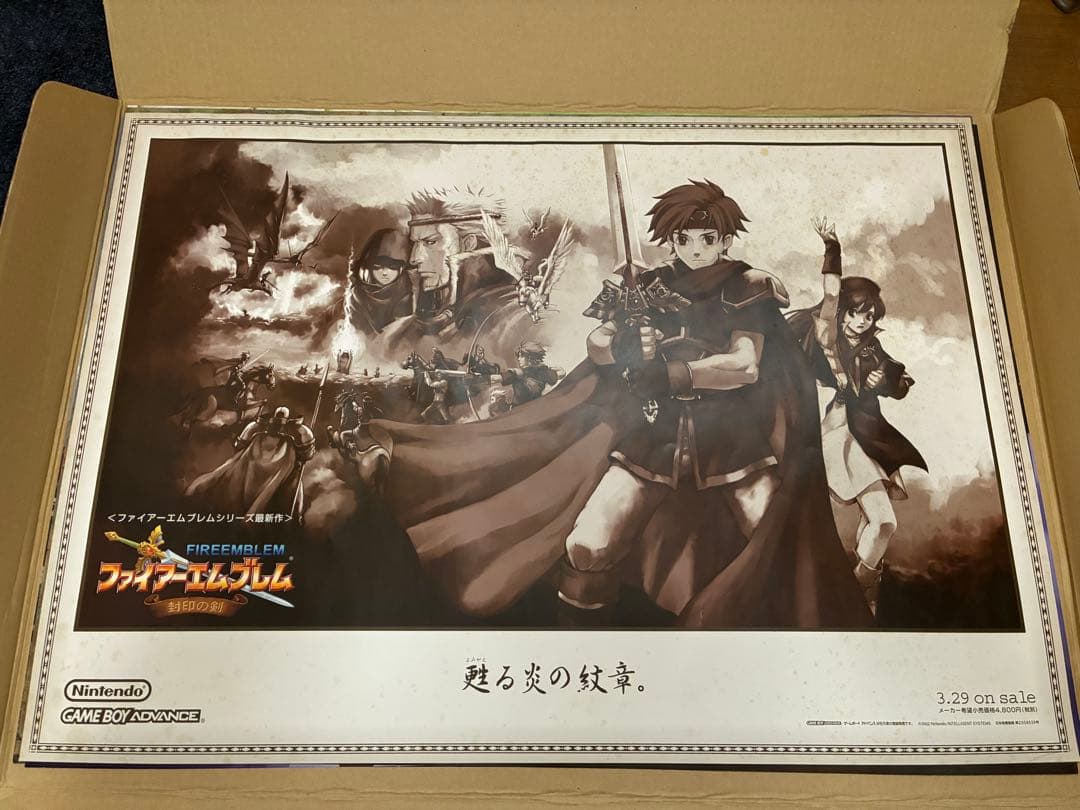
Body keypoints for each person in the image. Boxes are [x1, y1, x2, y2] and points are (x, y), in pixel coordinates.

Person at [371, 180, 871, 630]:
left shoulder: (748, 286)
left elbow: (744, 365)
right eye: (685, 238)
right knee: (587, 546)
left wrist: (674, 373)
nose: (696, 248)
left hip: (731, 440)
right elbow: (598, 345)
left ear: (725, 240)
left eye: (708, 238)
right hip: (654, 438)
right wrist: (624, 345)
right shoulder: (646, 285)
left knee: (777, 550)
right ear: (671, 239)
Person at [788, 220, 927, 610]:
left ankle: (858, 595)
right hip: (820, 439)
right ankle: (852, 602)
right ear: (842, 314)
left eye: (869, 316)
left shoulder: (872, 350)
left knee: (883, 524)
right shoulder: (826, 336)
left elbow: (897, 383)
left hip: (860, 441)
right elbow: (831, 293)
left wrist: (892, 381)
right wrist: (832, 248)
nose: (862, 322)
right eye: (856, 313)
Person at [377, 188, 533, 359]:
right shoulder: (398, 335)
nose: (415, 258)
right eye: (415, 244)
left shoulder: (516, 320)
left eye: (431, 242)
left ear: (468, 243)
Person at [184, 405, 315, 519]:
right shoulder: (256, 428)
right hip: (248, 469)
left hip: (280, 472)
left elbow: (307, 454)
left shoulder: (297, 433)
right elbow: (240, 445)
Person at [344, 229, 414, 335]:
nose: (385, 272)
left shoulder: (407, 294)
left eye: (393, 266)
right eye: (377, 266)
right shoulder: (357, 295)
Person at [492, 340, 562, 407]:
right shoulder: (544, 372)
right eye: (518, 356)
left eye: (521, 356)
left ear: (530, 357)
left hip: (519, 410)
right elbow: (561, 373)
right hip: (537, 407)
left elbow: (495, 379)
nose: (518, 359)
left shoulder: (519, 373)